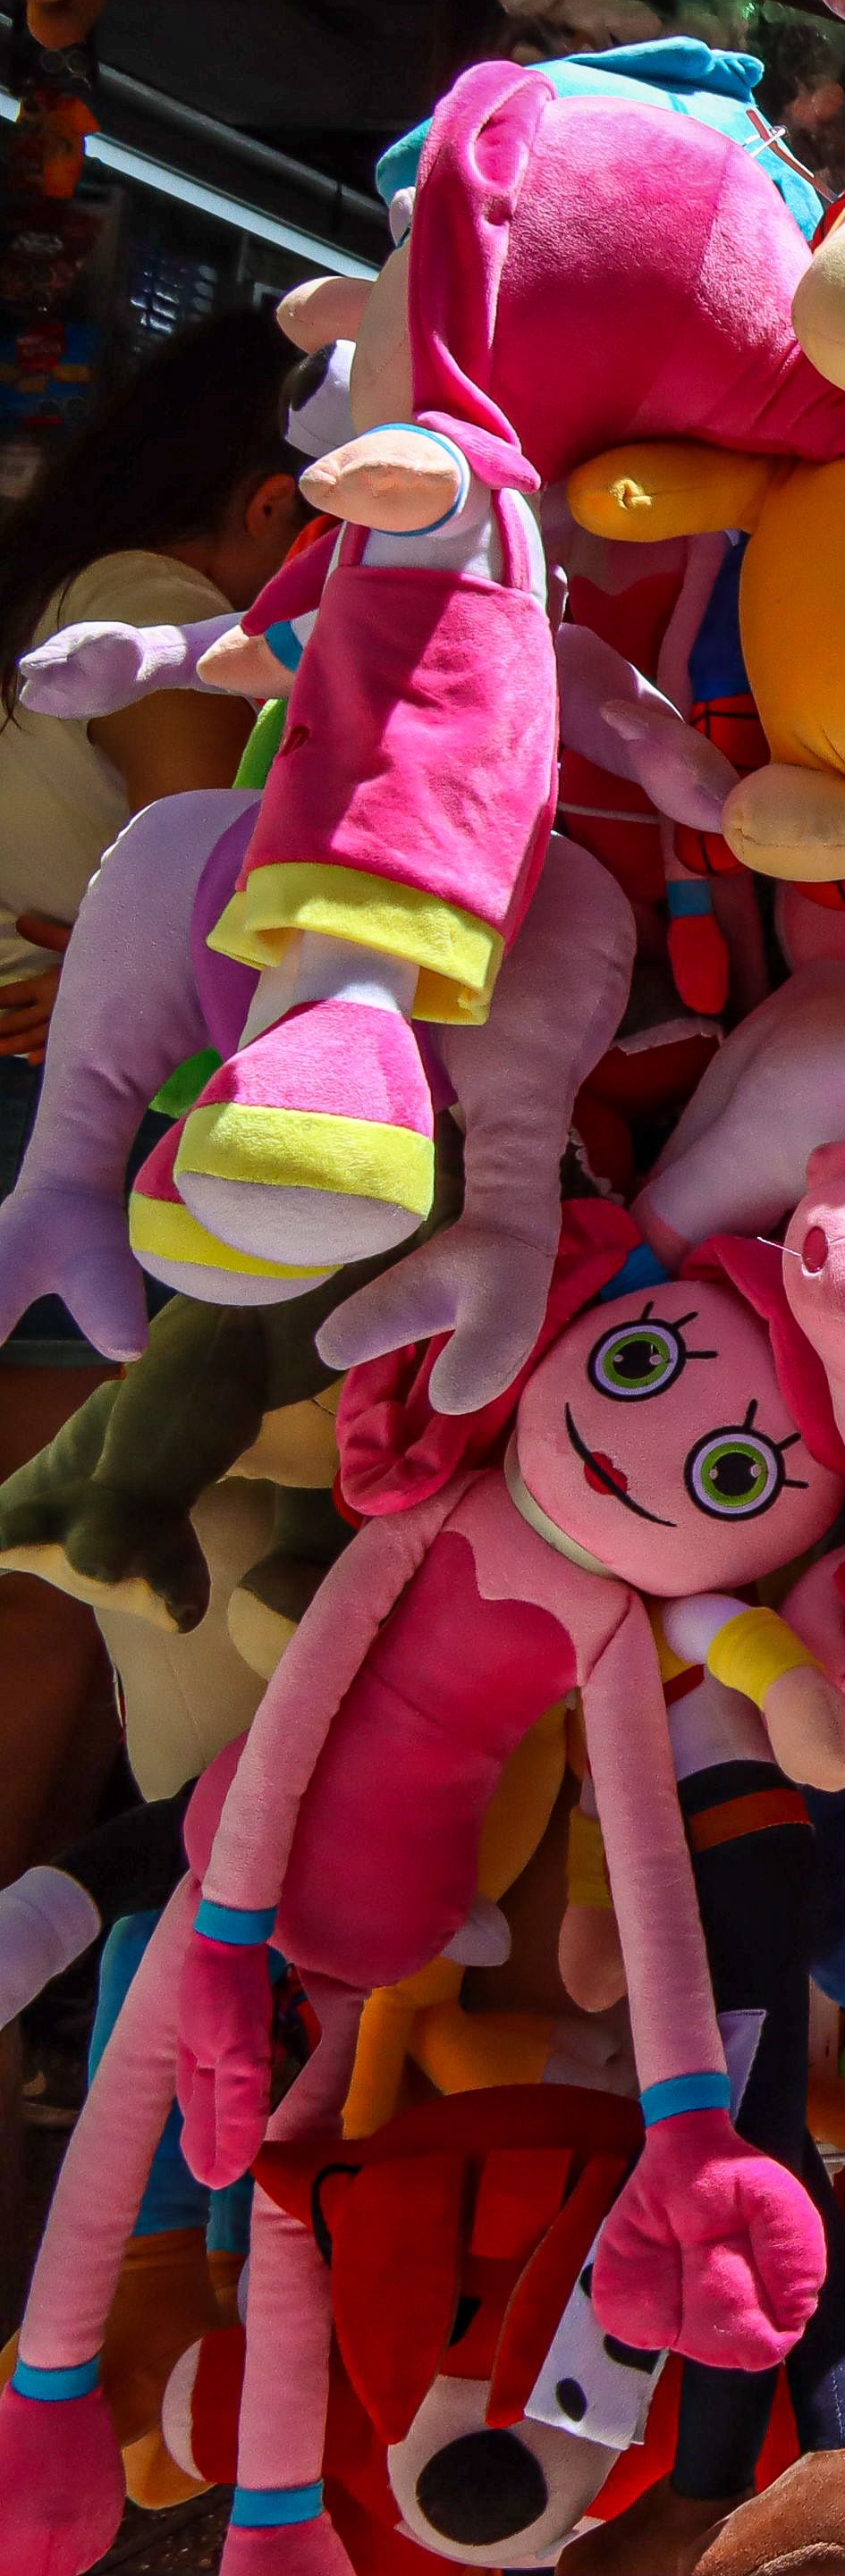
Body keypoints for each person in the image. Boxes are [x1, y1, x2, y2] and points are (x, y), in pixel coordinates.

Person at [0, 313, 294, 1904]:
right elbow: (213, 877)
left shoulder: (67, 590)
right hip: (75, 1140)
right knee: (51, 1595)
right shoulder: (163, 609)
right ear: (268, 508)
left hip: (42, 1113)